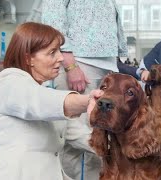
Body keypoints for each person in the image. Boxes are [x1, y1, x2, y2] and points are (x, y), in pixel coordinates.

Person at [0, 22, 103, 180]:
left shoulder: (46, 93)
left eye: (59, 51)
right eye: (52, 52)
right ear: (28, 58)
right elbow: (39, 101)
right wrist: (88, 101)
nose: (61, 58)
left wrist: (122, 147)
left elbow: (82, 136)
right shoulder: (8, 81)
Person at [42, 1, 128, 179]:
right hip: (80, 61)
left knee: (100, 132)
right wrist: (70, 65)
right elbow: (53, 15)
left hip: (107, 64)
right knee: (72, 137)